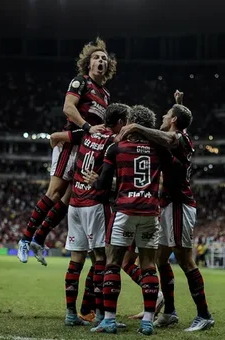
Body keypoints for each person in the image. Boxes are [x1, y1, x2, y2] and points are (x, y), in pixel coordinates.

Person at [118, 91, 214, 332]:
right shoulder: (180, 134)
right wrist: (179, 105)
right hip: (168, 205)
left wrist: (138, 126)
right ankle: (170, 311)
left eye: (167, 114)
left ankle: (204, 315)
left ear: (172, 121)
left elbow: (172, 137)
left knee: (185, 259)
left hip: (180, 205)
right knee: (160, 259)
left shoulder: (179, 138)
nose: (162, 115)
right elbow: (178, 126)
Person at [17, 37, 117, 268]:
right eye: (96, 57)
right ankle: (24, 239)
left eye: (104, 58)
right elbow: (68, 108)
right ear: (88, 63)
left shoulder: (106, 94)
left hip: (86, 149)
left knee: (68, 200)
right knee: (54, 193)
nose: (100, 60)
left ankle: (39, 239)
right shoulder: (80, 82)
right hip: (71, 145)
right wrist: (87, 127)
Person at [85, 106, 172, 335]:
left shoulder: (116, 148)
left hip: (124, 211)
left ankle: (110, 321)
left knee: (113, 262)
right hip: (150, 212)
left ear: (131, 122)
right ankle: (147, 322)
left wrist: (95, 182)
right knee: (148, 266)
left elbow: (102, 185)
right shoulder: (159, 149)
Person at [51, 103, 130, 326]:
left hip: (75, 203)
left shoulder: (88, 132)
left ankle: (70, 314)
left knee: (76, 261)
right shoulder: (112, 140)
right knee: (102, 261)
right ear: (121, 122)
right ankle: (101, 315)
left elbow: (64, 136)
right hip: (95, 204)